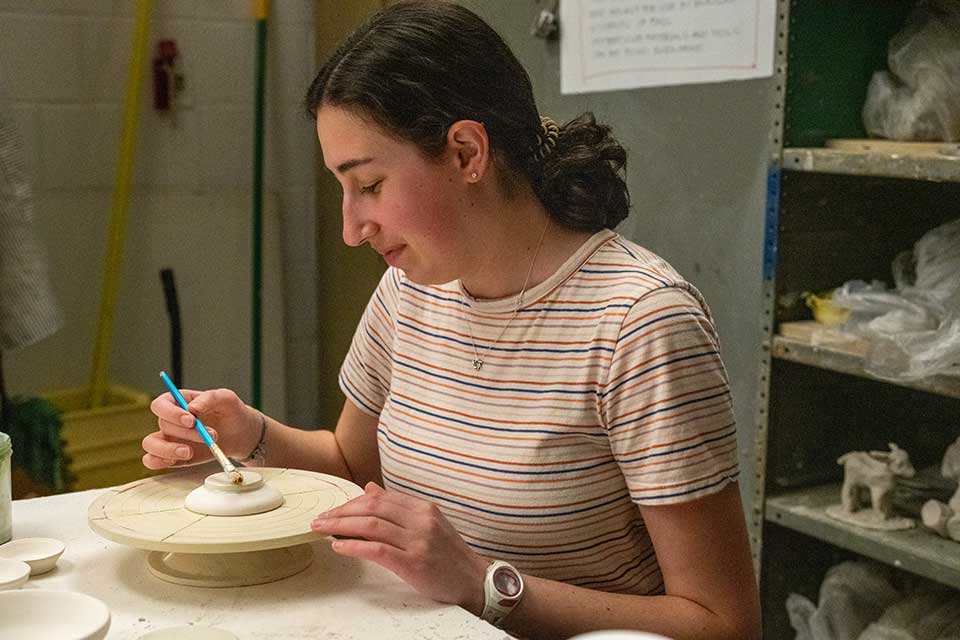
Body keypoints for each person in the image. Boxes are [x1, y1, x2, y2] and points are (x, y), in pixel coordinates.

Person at [143, 2, 761, 638]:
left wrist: (482, 584)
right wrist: (251, 437)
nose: (353, 229)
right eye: (342, 188)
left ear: (466, 152)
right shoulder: (409, 292)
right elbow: (356, 467)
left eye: (371, 185)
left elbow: (724, 622)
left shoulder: (640, 322)